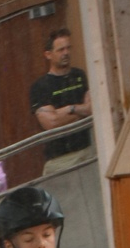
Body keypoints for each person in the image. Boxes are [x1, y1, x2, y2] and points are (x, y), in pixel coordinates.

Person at [29, 28, 92, 171]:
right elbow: (51, 122)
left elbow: (91, 108)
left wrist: (62, 113)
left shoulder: (79, 76)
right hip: (59, 159)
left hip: (86, 151)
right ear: (48, 54)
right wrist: (76, 109)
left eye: (68, 48)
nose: (66, 53)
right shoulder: (40, 86)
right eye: (60, 50)